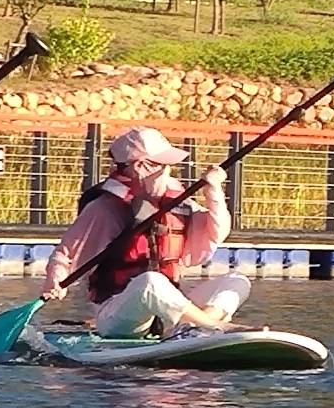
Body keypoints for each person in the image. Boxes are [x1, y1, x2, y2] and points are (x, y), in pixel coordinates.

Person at [38, 126, 244, 339]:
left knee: (236, 280)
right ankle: (213, 327)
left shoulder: (177, 203)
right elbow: (66, 254)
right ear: (139, 166)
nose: (168, 171)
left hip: (165, 309)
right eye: (161, 165)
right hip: (116, 313)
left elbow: (216, 232)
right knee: (150, 282)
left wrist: (214, 193)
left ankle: (196, 324)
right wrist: (55, 280)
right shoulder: (105, 208)